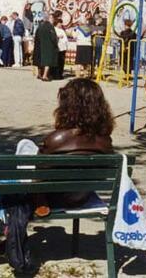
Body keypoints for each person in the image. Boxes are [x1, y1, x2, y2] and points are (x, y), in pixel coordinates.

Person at [37, 78, 115, 212]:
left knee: (25, 146)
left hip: (53, 197)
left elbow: (37, 174)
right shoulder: (106, 142)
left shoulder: (55, 140)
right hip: (82, 196)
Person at [35, 12, 58, 81]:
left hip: (40, 46)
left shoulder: (40, 26)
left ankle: (39, 74)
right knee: (48, 62)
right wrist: (56, 43)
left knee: (41, 61)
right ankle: (45, 75)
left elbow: (37, 36)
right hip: (49, 46)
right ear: (49, 19)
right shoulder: (50, 26)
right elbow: (53, 37)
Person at [52, 14, 68, 80]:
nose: (61, 25)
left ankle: (60, 74)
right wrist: (58, 37)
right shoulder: (54, 29)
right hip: (57, 48)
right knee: (57, 62)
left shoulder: (62, 30)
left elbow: (65, 39)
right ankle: (56, 75)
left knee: (62, 62)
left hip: (63, 48)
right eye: (60, 23)